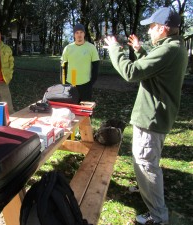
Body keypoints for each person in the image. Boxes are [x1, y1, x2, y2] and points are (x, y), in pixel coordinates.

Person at [104, 7, 188, 225]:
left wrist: (114, 49)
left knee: (146, 164)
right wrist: (141, 51)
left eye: (151, 27)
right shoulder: (175, 47)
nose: (149, 32)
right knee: (147, 160)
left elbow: (131, 72)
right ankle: (144, 188)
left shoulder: (169, 50)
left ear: (162, 28)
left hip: (152, 117)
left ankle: (158, 216)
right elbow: (156, 72)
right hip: (157, 115)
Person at [61, 23, 100, 101]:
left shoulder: (91, 48)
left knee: (84, 110)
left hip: (86, 84)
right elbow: (63, 67)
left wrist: (91, 83)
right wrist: (64, 83)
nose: (79, 35)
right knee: (71, 109)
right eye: (77, 33)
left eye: (81, 32)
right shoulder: (68, 48)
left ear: (84, 34)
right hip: (71, 83)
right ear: (74, 35)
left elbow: (96, 67)